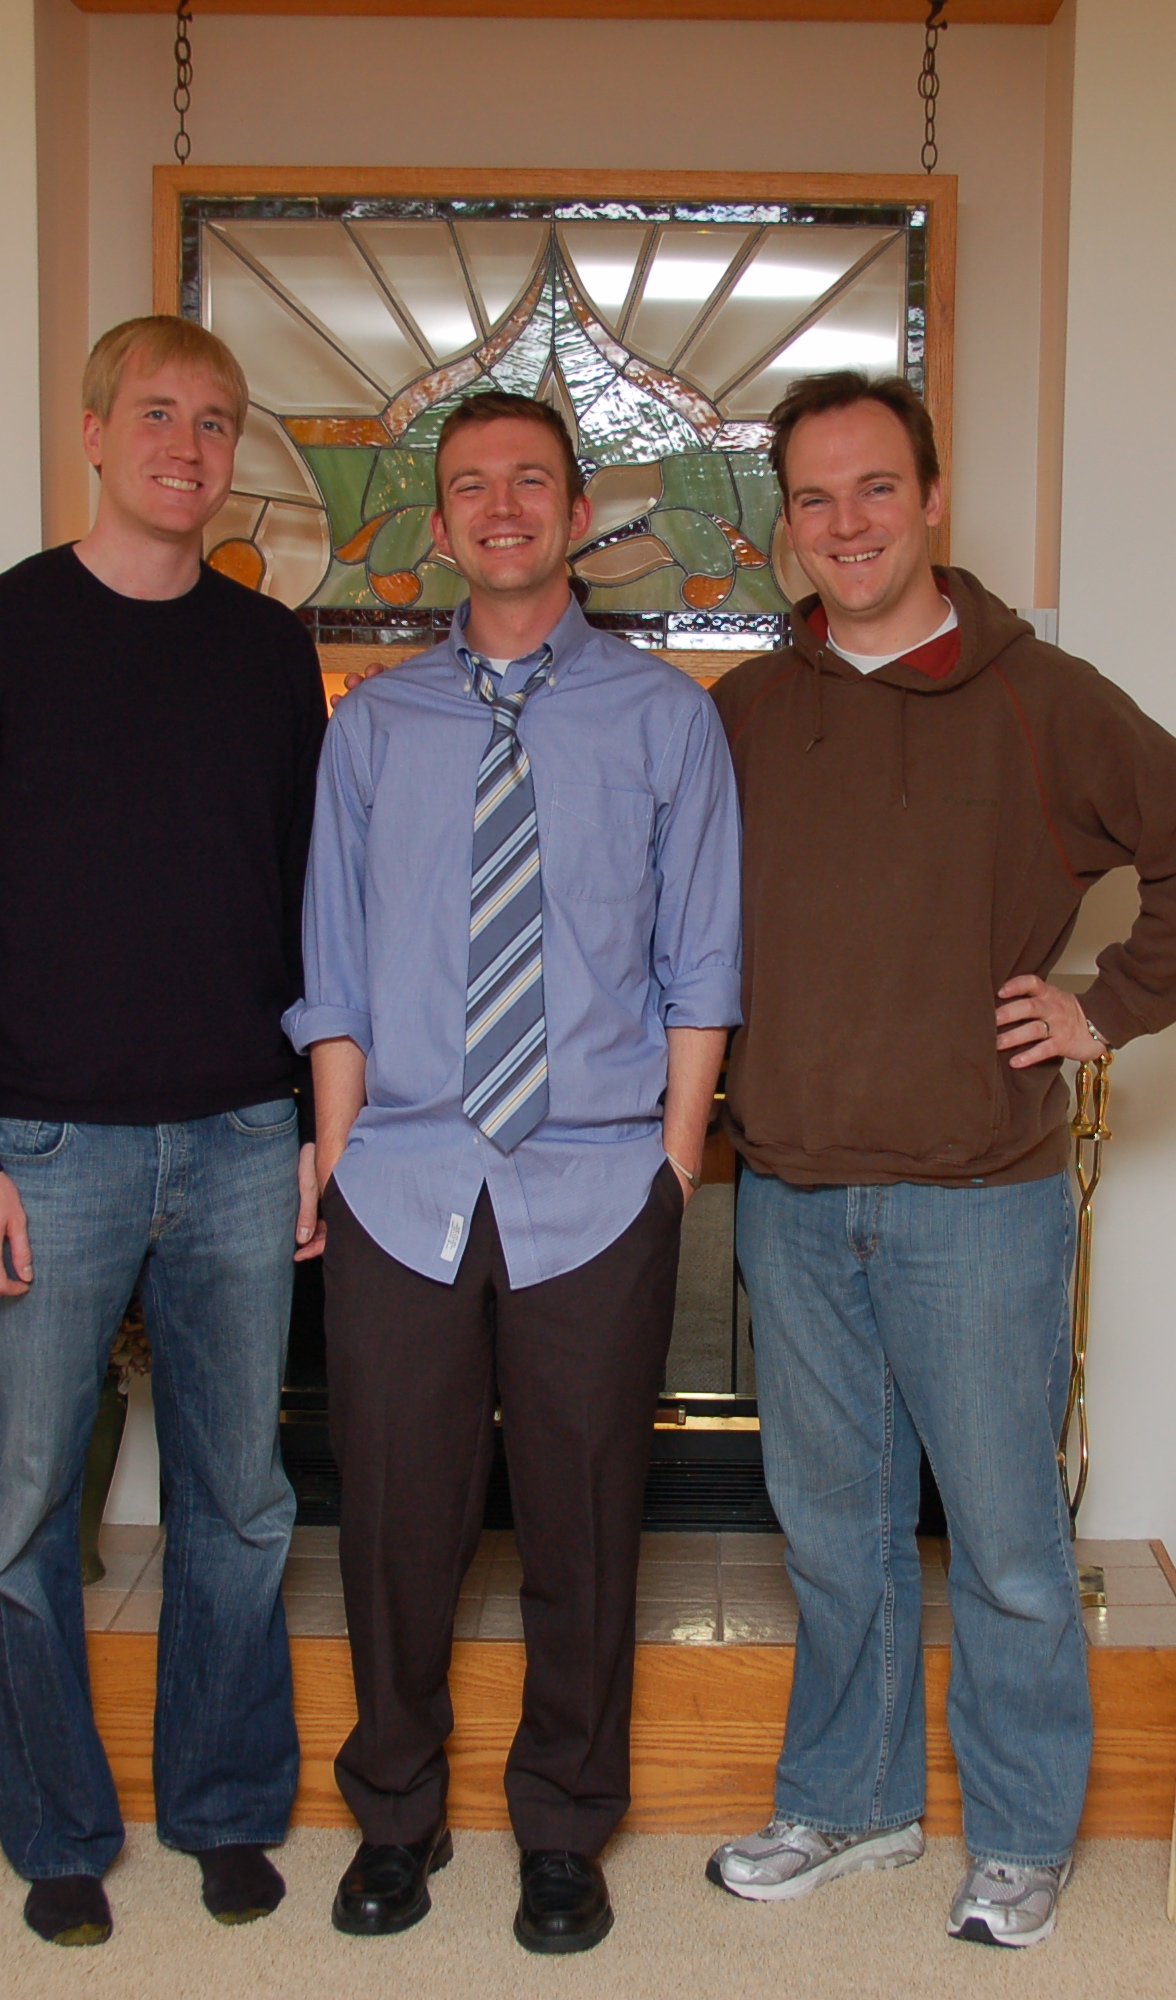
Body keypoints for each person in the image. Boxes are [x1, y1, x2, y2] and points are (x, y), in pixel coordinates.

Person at [702, 371, 1176, 1948]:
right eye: (814, 498)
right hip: (790, 1195)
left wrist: (1108, 1007)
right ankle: (852, 1803)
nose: (847, 524)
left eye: (876, 487)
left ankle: (1019, 1835)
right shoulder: (744, 714)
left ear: (933, 498)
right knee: (836, 1540)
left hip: (979, 1205)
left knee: (1011, 1548)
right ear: (788, 525)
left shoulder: (1042, 697)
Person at [0, 316, 325, 1948]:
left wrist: (311, 1125)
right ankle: (59, 1828)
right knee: (25, 1508)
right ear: (91, 432)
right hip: (42, 1149)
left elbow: (313, 905)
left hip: (240, 1137)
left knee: (240, 1497)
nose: (185, 447)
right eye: (156, 414)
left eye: (214, 423)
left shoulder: (267, 654)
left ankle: (223, 1804)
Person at [285, 391, 741, 1956]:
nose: (501, 506)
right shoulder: (373, 727)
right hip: (400, 1177)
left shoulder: (664, 718)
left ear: (575, 514)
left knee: (585, 1527)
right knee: (394, 1523)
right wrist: (335, 1153)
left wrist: (677, 1161)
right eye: (471, 484)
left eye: (531, 481)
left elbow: (703, 957)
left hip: (601, 1180)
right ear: (436, 526)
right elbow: (334, 969)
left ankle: (563, 1826)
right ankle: (394, 1812)